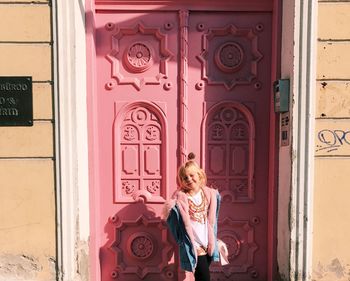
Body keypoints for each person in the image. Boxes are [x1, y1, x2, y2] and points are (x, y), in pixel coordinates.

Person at [162, 153, 228, 281]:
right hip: (194, 243)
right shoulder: (180, 198)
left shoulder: (210, 195)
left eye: (191, 175)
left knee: (201, 275)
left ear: (199, 175)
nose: (189, 179)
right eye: (184, 177)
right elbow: (173, 222)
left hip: (207, 241)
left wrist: (213, 238)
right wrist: (181, 240)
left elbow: (213, 218)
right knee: (204, 277)